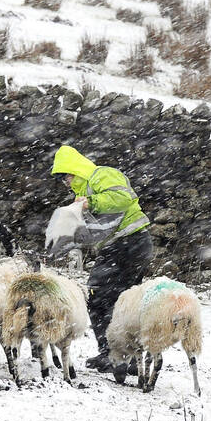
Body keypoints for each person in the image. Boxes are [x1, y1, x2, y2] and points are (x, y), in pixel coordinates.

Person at [49, 145, 153, 372]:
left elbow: (123, 197)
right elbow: (96, 229)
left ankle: (112, 354)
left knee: (99, 295)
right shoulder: (82, 194)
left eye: (66, 176)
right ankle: (129, 358)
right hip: (127, 245)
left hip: (128, 243)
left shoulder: (101, 175)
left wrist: (90, 203)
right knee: (125, 302)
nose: (65, 182)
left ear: (75, 169)